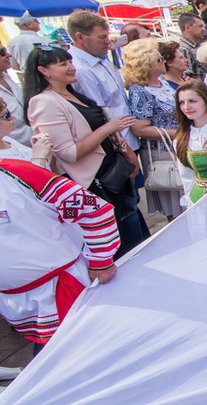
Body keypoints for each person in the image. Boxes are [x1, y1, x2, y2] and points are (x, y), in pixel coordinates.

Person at [23, 44, 146, 257]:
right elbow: (69, 153)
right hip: (94, 184)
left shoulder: (72, 93)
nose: (71, 67)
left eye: (70, 62)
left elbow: (101, 127)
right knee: (121, 243)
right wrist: (110, 127)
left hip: (113, 173)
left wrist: (126, 151)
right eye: (63, 64)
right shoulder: (43, 102)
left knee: (134, 233)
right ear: (43, 71)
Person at [0, 158, 119, 355]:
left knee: (88, 356)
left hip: (60, 293)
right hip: (14, 304)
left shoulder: (17, 173)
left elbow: (94, 209)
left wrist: (101, 263)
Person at [122, 39, 183, 220]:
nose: (163, 62)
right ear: (147, 64)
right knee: (176, 203)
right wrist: (178, 133)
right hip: (163, 153)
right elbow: (140, 129)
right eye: (158, 60)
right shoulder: (140, 90)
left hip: (179, 146)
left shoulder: (162, 83)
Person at [66, 11, 139, 152]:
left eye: (107, 36)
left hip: (129, 138)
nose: (108, 41)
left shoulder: (98, 57)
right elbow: (101, 116)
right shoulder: (82, 70)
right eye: (101, 37)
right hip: (120, 147)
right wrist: (126, 151)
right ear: (80, 37)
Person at [0, 96, 50, 165]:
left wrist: (36, 148)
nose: (13, 117)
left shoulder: (6, 140)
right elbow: (30, 174)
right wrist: (39, 158)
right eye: (7, 115)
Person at [0, 45, 31, 147]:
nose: (9, 55)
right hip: (18, 152)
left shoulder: (6, 76)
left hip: (39, 142)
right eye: (2, 52)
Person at [176, 12, 207, 80]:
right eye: (200, 26)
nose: (204, 29)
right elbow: (187, 76)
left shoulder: (193, 47)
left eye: (203, 26)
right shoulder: (184, 49)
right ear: (188, 27)